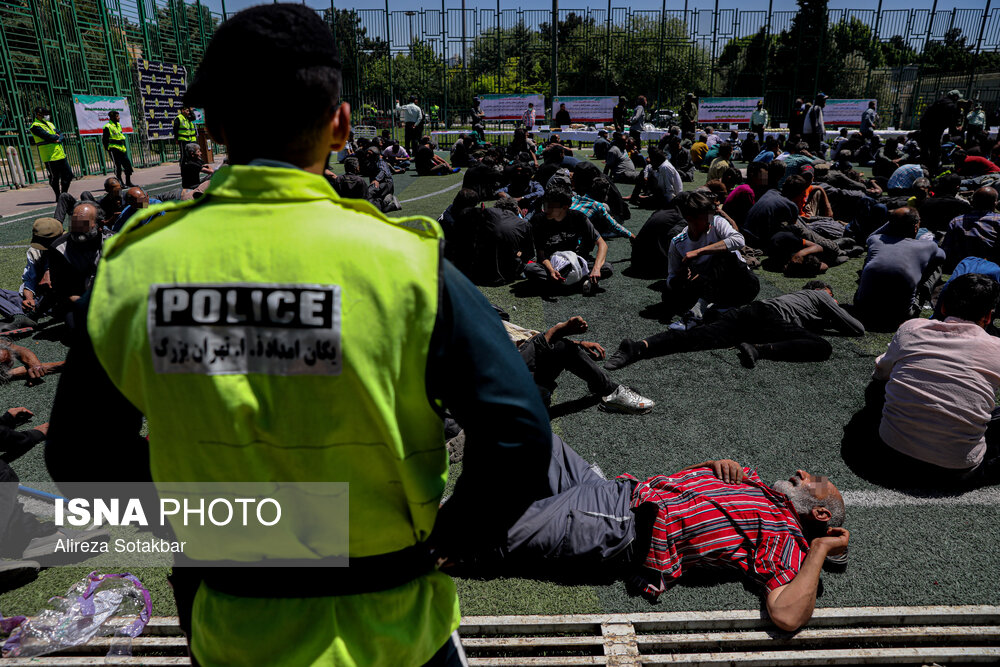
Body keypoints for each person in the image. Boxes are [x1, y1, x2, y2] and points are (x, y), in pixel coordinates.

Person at [46, 6, 554, 667]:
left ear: (213, 127)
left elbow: (80, 459)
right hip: (398, 630)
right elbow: (519, 432)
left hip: (236, 631)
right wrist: (454, 535)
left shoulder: (131, 271)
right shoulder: (406, 267)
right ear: (340, 124)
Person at [453, 435, 849, 633]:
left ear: (817, 510)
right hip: (617, 489)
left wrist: (820, 548)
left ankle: (420, 541)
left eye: (812, 479)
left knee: (491, 529)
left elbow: (787, 614)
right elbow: (682, 486)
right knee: (537, 437)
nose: (801, 473)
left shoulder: (784, 539)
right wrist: (709, 464)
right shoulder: (757, 486)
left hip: (621, 522)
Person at [857, 273, 1000, 487]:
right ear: (988, 317)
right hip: (955, 470)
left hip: (888, 453)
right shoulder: (997, 348)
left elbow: (880, 375)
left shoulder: (911, 328)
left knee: (880, 385)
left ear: (943, 307)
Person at [606, 280, 863, 371]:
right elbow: (856, 329)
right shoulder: (819, 296)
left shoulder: (797, 299)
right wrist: (834, 309)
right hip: (769, 320)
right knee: (822, 346)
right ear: (823, 291)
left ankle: (639, 346)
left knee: (695, 338)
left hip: (752, 312)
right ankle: (759, 350)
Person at [510, 316, 654, 414]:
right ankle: (610, 391)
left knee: (560, 346)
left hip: (531, 379)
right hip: (509, 390)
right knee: (558, 344)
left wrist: (579, 344)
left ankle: (551, 339)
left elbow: (522, 340)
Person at [661, 191, 760, 324]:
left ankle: (701, 308)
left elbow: (739, 240)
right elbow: (671, 279)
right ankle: (715, 308)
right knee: (668, 294)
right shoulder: (678, 243)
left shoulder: (717, 223)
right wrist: (680, 277)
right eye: (705, 219)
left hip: (742, 284)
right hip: (712, 287)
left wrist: (700, 251)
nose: (709, 223)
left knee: (721, 254)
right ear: (690, 218)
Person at [853, 207, 945, 331]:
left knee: (872, 257)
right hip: (899, 317)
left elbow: (871, 236)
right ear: (916, 227)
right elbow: (942, 256)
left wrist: (894, 221)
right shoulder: (929, 247)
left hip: (862, 310)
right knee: (936, 265)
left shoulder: (876, 241)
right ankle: (919, 290)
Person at [524, 187, 611, 295]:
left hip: (576, 262)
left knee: (607, 267)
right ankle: (578, 283)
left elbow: (602, 244)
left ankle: (560, 285)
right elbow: (541, 255)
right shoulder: (538, 221)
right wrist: (551, 271)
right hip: (551, 264)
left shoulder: (578, 218)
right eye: (545, 205)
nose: (546, 209)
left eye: (551, 207)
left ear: (564, 208)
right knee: (530, 269)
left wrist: (596, 269)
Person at [47, 201, 105, 309]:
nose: (77, 229)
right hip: (81, 301)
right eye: (75, 224)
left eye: (83, 225)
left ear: (100, 225)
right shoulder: (59, 249)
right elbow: (63, 289)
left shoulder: (115, 241)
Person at [942, 186, 1000, 270]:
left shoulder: (956, 221)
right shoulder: (998, 220)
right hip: (992, 269)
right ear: (995, 204)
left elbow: (946, 250)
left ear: (972, 202)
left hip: (962, 268)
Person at [19, 217, 62, 317]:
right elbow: (29, 280)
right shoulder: (34, 252)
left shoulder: (68, 247)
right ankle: (21, 313)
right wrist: (29, 298)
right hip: (41, 295)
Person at [29, 107, 73, 201]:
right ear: (38, 115)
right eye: (44, 115)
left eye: (47, 114)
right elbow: (47, 136)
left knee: (68, 175)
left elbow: (60, 134)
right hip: (49, 156)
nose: (46, 116)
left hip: (60, 154)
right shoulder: (35, 126)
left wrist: (58, 138)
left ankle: (63, 194)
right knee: (55, 177)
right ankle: (58, 195)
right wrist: (55, 137)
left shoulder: (50, 124)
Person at [919, 90, 961, 173]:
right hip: (935, 131)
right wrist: (956, 129)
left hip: (925, 129)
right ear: (955, 97)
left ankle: (923, 167)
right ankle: (933, 170)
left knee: (925, 149)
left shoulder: (938, 102)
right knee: (935, 151)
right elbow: (951, 122)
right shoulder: (951, 106)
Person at [102, 110, 134, 187]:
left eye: (118, 116)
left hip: (122, 148)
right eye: (117, 116)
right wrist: (108, 149)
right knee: (118, 166)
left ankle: (128, 182)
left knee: (128, 165)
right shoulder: (107, 126)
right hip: (114, 149)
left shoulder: (119, 125)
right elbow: (104, 140)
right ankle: (120, 182)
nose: (119, 118)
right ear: (112, 117)